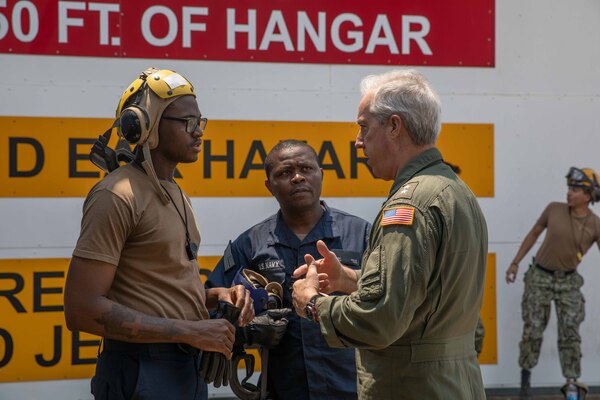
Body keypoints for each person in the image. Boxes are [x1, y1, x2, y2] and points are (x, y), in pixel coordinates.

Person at [292, 69, 488, 399]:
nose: (357, 142)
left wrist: (312, 304)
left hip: (413, 387)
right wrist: (348, 279)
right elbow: (422, 294)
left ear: (394, 126)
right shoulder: (455, 191)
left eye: (364, 127)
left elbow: (380, 321)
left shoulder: (410, 204)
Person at [64, 67, 254, 400]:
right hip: (141, 369)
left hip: (182, 369)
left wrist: (217, 296)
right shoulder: (116, 195)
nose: (199, 133)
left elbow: (161, 290)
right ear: (144, 125)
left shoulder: (175, 193)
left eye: (201, 123)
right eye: (188, 123)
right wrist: (190, 331)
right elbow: (81, 308)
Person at [206, 139, 371, 399]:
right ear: (269, 185)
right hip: (284, 390)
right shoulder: (250, 245)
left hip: (355, 389)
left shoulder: (361, 234)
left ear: (321, 175)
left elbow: (388, 303)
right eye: (284, 173)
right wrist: (248, 329)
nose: (297, 178)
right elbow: (214, 310)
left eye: (306, 169)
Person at [505, 167, 600, 399]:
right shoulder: (554, 209)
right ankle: (525, 384)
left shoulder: (595, 224)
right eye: (569, 188)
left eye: (575, 190)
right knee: (533, 331)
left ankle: (571, 385)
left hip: (569, 282)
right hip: (539, 277)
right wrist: (515, 263)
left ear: (588, 196)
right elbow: (534, 233)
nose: (569, 193)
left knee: (570, 334)